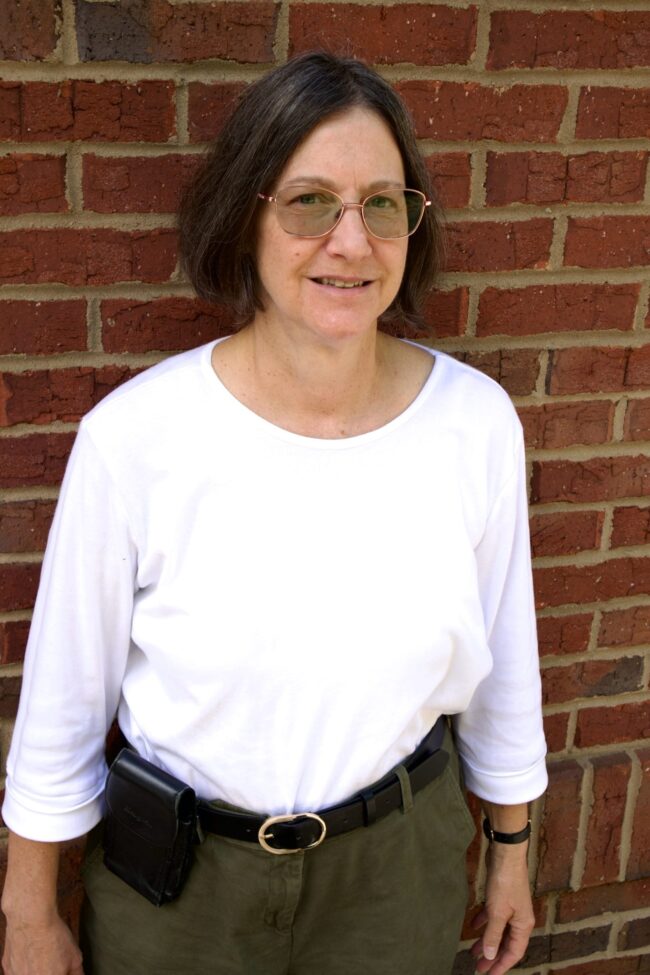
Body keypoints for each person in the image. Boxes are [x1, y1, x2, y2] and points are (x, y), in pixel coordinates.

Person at [1, 52, 547, 975]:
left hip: (391, 879)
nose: (350, 240)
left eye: (381, 203)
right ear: (243, 217)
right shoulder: (137, 438)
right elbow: (64, 702)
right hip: (179, 893)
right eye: (309, 203)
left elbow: (506, 664)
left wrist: (510, 851)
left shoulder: (474, 422)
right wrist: (26, 909)